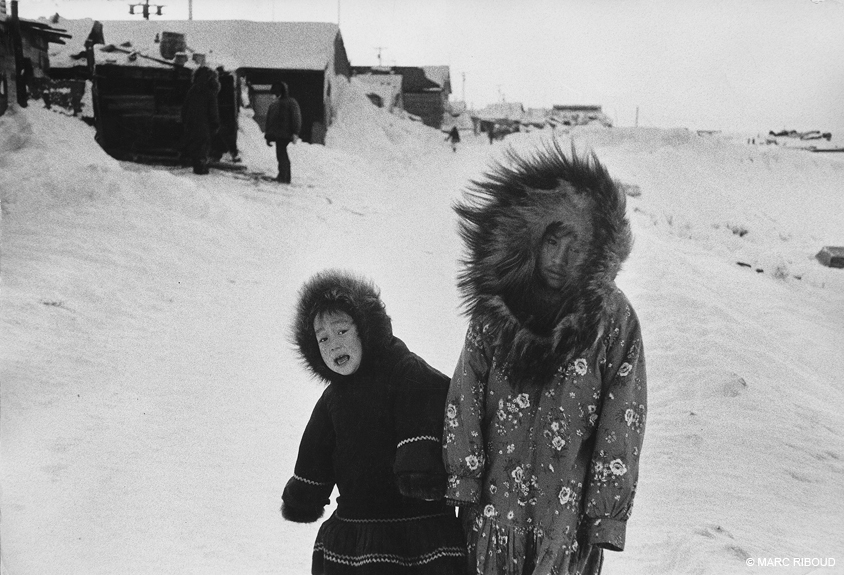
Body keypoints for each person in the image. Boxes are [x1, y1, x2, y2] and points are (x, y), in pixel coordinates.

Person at [443, 140, 647, 575]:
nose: (559, 259)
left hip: (564, 530)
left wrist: (606, 514)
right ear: (532, 238)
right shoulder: (498, 309)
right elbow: (466, 394)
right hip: (493, 519)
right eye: (552, 242)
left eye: (576, 248)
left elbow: (622, 418)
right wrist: (464, 478)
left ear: (596, 251)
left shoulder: (612, 320)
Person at [282, 270, 466, 574]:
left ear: (365, 328)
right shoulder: (333, 399)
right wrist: (305, 494)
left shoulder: (404, 370)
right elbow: (316, 449)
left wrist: (419, 467)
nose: (333, 345)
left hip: (414, 531)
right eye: (323, 338)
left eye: (342, 331)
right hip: (355, 532)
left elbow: (432, 396)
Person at [180, 66, 220, 175]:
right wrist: (215, 124)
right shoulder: (210, 90)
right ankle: (201, 168)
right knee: (203, 146)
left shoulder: (192, 89)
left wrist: (186, 122)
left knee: (195, 145)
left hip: (191, 123)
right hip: (204, 125)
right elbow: (213, 110)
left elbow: (185, 108)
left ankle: (197, 166)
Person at [264, 81, 302, 184]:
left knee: (281, 155)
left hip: (284, 134)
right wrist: (268, 136)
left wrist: (295, 132)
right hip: (279, 135)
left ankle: (284, 177)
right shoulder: (276, 104)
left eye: (274, 93)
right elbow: (270, 121)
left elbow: (296, 118)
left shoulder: (288, 103)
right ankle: (284, 176)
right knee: (281, 154)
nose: (273, 96)